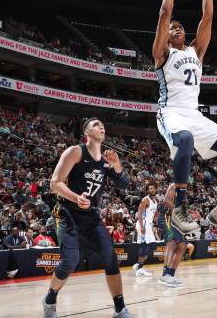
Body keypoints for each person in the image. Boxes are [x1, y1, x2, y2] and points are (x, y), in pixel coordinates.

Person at [153, 0, 217, 237]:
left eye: (180, 27)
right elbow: (164, 13)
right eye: (172, 28)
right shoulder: (162, 54)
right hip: (171, 113)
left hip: (194, 114)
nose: (176, 29)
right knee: (186, 140)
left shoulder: (196, 51)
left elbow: (208, 15)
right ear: (166, 35)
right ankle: (179, 208)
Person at [43, 118, 134, 318]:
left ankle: (120, 309)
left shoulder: (104, 161)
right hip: (68, 212)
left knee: (111, 258)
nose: (101, 127)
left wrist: (117, 165)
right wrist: (76, 198)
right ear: (86, 132)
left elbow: (124, 184)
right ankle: (50, 299)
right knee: (71, 261)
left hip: (90, 217)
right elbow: (55, 182)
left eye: (103, 125)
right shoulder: (75, 151)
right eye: (96, 125)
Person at [158, 183, 188, 287]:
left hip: (175, 219)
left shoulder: (183, 189)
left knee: (182, 246)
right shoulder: (174, 186)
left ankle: (171, 274)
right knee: (171, 243)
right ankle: (165, 275)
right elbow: (166, 202)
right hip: (167, 217)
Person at [133, 182, 158, 277]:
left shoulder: (155, 201)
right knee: (144, 245)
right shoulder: (145, 200)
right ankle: (139, 269)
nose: (152, 190)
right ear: (147, 190)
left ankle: (139, 265)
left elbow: (154, 215)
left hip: (149, 224)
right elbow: (139, 214)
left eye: (153, 188)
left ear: (156, 189)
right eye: (150, 188)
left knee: (153, 246)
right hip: (143, 223)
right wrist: (142, 226)